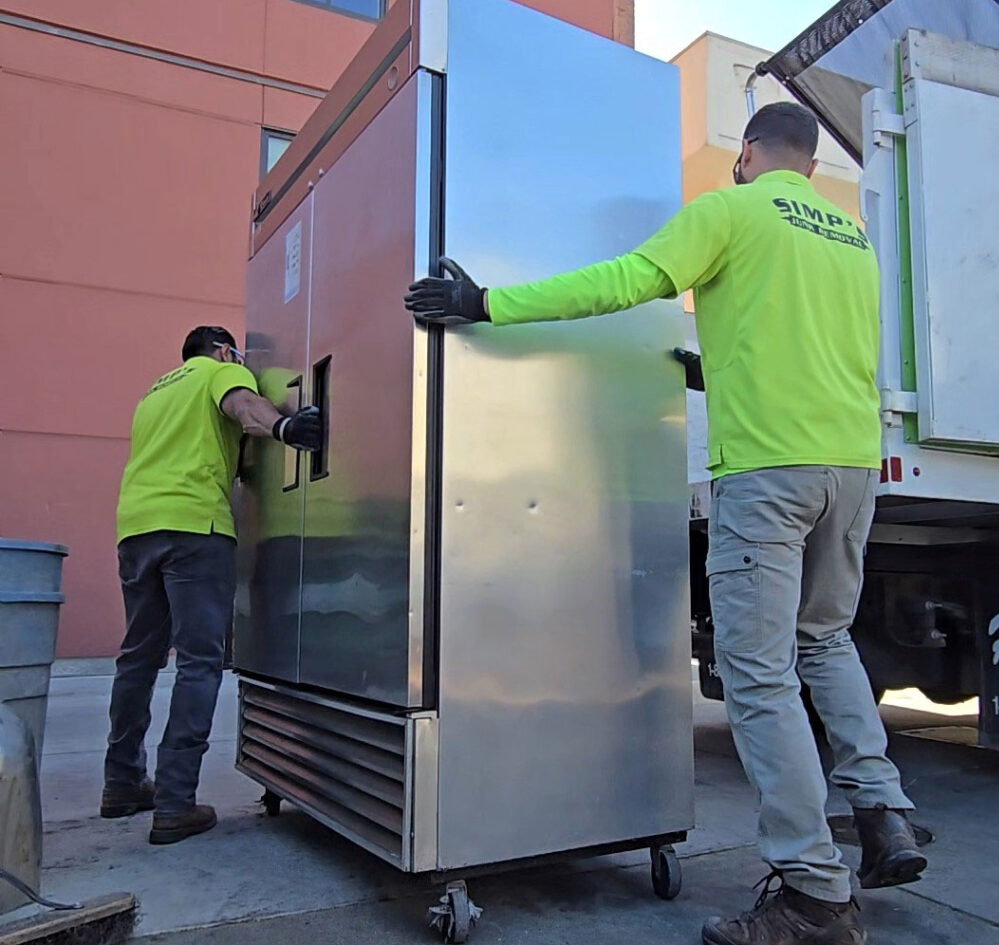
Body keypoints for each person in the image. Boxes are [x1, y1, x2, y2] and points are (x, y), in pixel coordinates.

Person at [405, 103, 925, 945]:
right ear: (811, 157)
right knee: (824, 643)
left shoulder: (730, 209)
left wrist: (486, 301)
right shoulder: (848, 236)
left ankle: (816, 893)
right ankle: (884, 811)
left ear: (749, 151)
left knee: (757, 676)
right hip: (852, 468)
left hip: (769, 472)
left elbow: (626, 279)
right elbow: (811, 350)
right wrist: (713, 372)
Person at [101, 326, 321, 845]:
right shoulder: (222, 371)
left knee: (138, 659)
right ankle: (175, 804)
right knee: (198, 662)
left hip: (136, 530)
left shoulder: (154, 395)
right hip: (195, 529)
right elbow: (244, 407)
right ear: (224, 350)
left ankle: (122, 783)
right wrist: (287, 427)